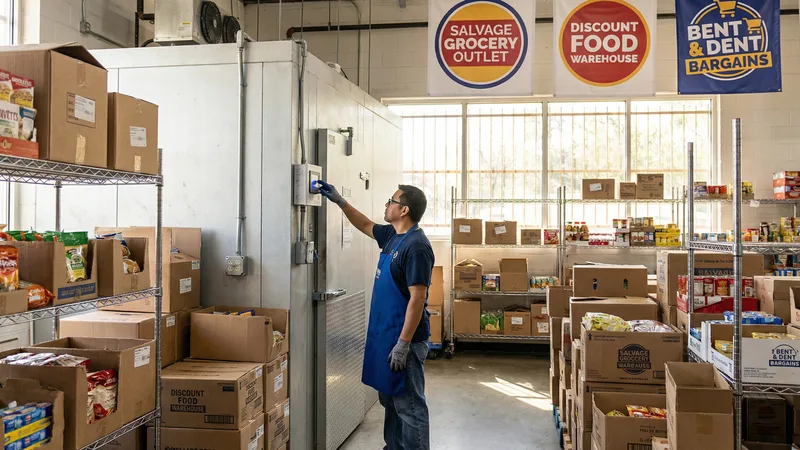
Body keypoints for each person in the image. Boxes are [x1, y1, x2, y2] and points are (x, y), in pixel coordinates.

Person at [318, 180, 433, 450]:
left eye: (391, 201)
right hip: (385, 336)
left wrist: (403, 345)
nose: (386, 204)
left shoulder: (416, 246)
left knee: (410, 406)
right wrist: (340, 201)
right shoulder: (394, 236)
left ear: (404, 210)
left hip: (404, 341)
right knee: (390, 401)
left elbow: (417, 299)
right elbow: (366, 225)